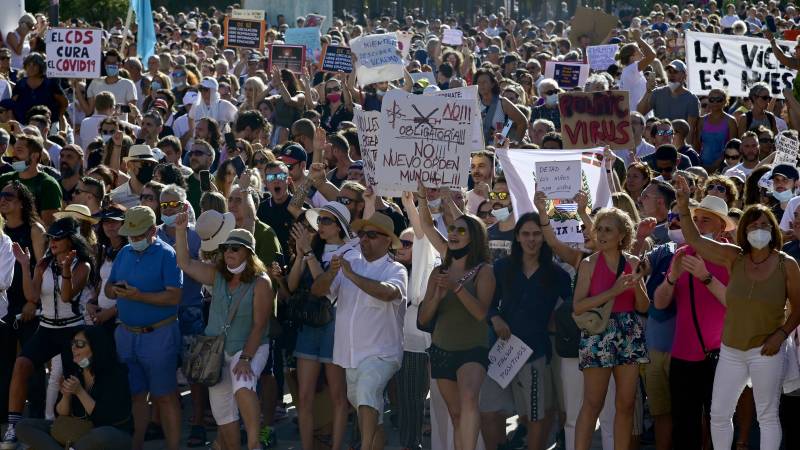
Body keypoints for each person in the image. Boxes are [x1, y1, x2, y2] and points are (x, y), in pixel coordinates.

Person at [673, 175, 800, 450]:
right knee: (718, 414)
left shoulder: (786, 264)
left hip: (767, 350)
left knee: (767, 416)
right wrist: (684, 207)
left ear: (774, 229)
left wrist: (781, 335)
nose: (759, 229)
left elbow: (799, 309)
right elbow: (694, 239)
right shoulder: (733, 256)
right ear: (743, 230)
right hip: (730, 350)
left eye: (765, 224)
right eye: (753, 225)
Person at [174, 213, 273, 450]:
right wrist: (180, 230)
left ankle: (253, 443)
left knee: (242, 384)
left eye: (235, 249)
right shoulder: (217, 275)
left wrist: (247, 358)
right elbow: (184, 263)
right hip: (216, 350)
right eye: (226, 247)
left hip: (250, 346)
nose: (229, 252)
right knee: (222, 410)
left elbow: (260, 325)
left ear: (248, 254)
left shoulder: (261, 282)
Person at [311, 212, 408, 450]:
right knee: (371, 416)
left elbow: (388, 293)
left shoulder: (395, 269)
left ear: (388, 240)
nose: (364, 239)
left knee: (366, 394)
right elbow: (317, 291)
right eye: (362, 234)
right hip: (350, 356)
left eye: (372, 235)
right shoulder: (348, 263)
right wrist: (332, 272)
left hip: (381, 354)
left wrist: (351, 275)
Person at [480, 212, 572, 450]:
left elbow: (573, 306)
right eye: (526, 234)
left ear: (544, 237)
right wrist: (495, 318)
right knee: (489, 411)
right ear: (517, 237)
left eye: (537, 234)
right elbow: (487, 305)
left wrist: (556, 322)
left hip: (535, 352)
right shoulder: (501, 267)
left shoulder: (556, 274)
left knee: (535, 416)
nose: (531, 239)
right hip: (500, 351)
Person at [2, 218, 94, 447]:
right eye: (50, 238)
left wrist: (65, 271)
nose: (52, 242)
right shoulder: (43, 263)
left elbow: (66, 297)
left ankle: (75, 428)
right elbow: (32, 296)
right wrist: (24, 265)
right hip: (47, 328)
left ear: (71, 240)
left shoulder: (83, 265)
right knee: (21, 364)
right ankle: (13, 426)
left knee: (72, 379)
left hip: (72, 330)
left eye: (58, 238)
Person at [653, 195, 734, 449]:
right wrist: (672, 278)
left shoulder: (732, 257)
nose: (698, 225)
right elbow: (660, 303)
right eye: (695, 220)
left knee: (719, 423)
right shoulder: (682, 253)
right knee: (684, 425)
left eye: (706, 221)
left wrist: (705, 276)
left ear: (721, 227)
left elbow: (736, 306)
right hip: (684, 355)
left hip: (722, 355)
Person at [104, 206, 183, 450]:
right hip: (127, 335)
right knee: (136, 395)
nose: (134, 240)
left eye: (138, 235)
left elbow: (174, 297)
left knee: (165, 396)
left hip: (159, 336)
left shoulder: (168, 255)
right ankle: (136, 445)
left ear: (152, 231)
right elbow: (107, 289)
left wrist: (139, 296)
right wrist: (115, 290)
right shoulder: (124, 252)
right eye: (131, 235)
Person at [573, 208, 650, 450]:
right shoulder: (588, 264)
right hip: (598, 334)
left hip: (629, 331)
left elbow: (644, 306)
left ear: (622, 235)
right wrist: (613, 292)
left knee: (626, 404)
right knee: (592, 404)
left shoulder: (634, 262)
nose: (602, 234)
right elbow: (578, 306)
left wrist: (636, 283)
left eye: (609, 229)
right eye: (599, 228)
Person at [418, 214, 494, 450]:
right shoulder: (438, 272)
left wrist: (457, 287)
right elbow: (423, 319)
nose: (453, 234)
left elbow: (481, 313)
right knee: (456, 415)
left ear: (474, 238)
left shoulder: (484, 271)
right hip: (442, 349)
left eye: (461, 231)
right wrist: (437, 297)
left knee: (469, 398)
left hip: (473, 349)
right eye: (451, 229)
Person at [286, 202, 353, 450]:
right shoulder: (311, 247)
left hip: (334, 325)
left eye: (326, 221)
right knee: (304, 396)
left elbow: (326, 291)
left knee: (338, 395)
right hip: (309, 325)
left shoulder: (350, 252)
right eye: (320, 220)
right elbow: (292, 285)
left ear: (339, 227)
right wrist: (301, 253)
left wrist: (309, 254)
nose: (319, 225)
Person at [15, 327, 133, 450]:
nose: (74, 348)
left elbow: (104, 417)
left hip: (111, 434)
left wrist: (80, 392)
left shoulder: (114, 374)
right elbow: (61, 413)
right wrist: (66, 395)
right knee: (23, 426)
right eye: (73, 343)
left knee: (102, 435)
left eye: (80, 344)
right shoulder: (77, 371)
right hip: (78, 431)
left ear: (96, 347)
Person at [0, 134, 62, 225]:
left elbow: (48, 225)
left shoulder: (48, 184)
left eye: (19, 151)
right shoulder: (4, 179)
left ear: (34, 156)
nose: (13, 155)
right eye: (14, 150)